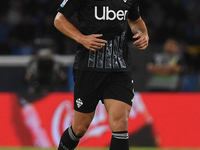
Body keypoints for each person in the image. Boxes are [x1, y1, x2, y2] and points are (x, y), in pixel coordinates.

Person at [54, 0, 149, 149]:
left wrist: (142, 33)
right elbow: (59, 19)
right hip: (89, 68)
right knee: (79, 128)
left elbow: (136, 20)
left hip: (119, 68)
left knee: (121, 123)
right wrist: (81, 38)